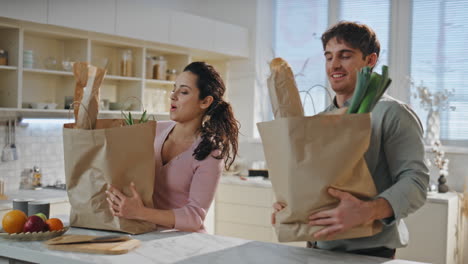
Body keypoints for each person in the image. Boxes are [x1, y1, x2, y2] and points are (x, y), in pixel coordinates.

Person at [272, 21, 429, 258]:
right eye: (328, 57)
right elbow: (313, 184)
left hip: (370, 252)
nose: (334, 64)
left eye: (345, 56)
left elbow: (416, 182)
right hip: (315, 248)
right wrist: (290, 206)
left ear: (370, 60)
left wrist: (367, 211)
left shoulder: (393, 114)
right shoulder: (319, 120)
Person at [106, 61, 239, 232]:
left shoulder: (210, 153)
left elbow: (194, 217)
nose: (173, 96)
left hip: (181, 241)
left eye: (183, 91)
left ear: (205, 101)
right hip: (144, 233)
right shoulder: (153, 130)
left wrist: (141, 213)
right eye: (174, 89)